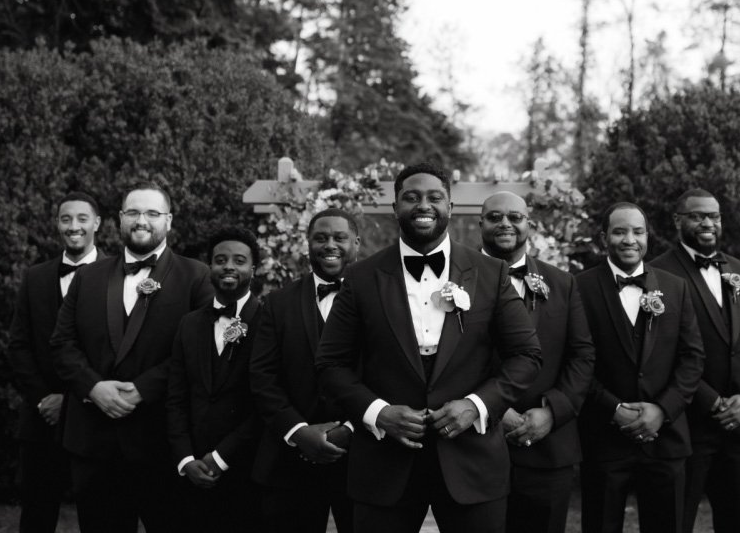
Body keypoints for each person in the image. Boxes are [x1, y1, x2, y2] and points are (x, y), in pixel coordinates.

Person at [316, 162, 542, 533]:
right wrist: (378, 412)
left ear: (450, 207)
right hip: (384, 466)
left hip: (472, 463)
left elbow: (527, 356)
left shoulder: (490, 273)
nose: (424, 205)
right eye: (412, 197)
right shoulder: (361, 278)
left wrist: (477, 405)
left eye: (435, 197)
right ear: (395, 207)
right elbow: (330, 365)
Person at [51, 182, 212, 533]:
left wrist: (142, 389)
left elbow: (201, 352)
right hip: (94, 443)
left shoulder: (196, 276)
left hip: (162, 442)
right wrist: (93, 388)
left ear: (168, 221)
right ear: (120, 219)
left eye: (153, 213)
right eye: (134, 212)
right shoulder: (88, 277)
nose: (142, 220)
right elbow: (62, 344)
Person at [649, 189, 740, 533]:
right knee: (674, 522)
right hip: (688, 424)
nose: (707, 222)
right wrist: (712, 401)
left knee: (739, 524)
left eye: (713, 216)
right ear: (678, 221)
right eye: (697, 215)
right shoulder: (657, 272)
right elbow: (659, 353)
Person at [577, 202, 704, 533]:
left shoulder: (676, 287)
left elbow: (692, 358)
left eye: (637, 231)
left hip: (666, 439)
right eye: (619, 231)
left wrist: (662, 410)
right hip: (604, 439)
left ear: (648, 236)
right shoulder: (579, 287)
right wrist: (614, 409)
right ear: (604, 237)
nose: (629, 239)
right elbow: (576, 362)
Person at [479, 192, 594, 533]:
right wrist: (494, 409)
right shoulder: (456, 282)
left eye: (515, 217)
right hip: (477, 447)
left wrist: (552, 412)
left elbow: (582, 355)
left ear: (529, 224)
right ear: (479, 223)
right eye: (495, 217)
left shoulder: (562, 283)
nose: (505, 224)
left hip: (548, 448)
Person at [251, 208, 361, 533]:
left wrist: (350, 430)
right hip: (292, 462)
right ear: (307, 244)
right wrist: (299, 432)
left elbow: (391, 372)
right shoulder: (277, 304)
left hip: (363, 460)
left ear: (356, 243)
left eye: (339, 238)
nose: (330, 245)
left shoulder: (380, 300)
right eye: (320, 238)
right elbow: (262, 379)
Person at [9, 191, 102, 533]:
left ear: (97, 224)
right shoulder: (35, 278)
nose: (73, 226)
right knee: (36, 515)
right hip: (41, 420)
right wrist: (44, 399)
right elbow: (18, 346)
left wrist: (74, 400)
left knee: (100, 516)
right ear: (57, 225)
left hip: (95, 422)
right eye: (66, 219)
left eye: (81, 218)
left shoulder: (118, 276)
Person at [167, 225, 265, 530]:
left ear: (254, 268)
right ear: (210, 266)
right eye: (221, 260)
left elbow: (267, 401)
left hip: (245, 470)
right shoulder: (188, 324)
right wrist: (185, 459)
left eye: (239, 260)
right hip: (191, 471)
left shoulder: (269, 322)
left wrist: (220, 458)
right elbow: (176, 397)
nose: (229, 267)